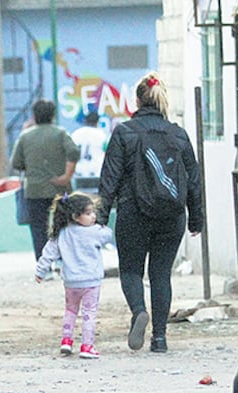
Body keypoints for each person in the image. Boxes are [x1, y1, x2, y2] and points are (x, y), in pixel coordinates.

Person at [98, 72, 202, 353]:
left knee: (131, 271)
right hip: (172, 215)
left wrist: (101, 216)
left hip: (133, 212)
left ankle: (138, 311)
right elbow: (193, 179)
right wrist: (196, 218)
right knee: (160, 275)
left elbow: (110, 177)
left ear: (138, 100)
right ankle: (160, 338)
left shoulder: (124, 132)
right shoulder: (178, 134)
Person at [34, 193, 113, 359]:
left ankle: (67, 340)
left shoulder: (61, 233)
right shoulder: (95, 232)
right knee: (89, 313)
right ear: (76, 216)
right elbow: (108, 234)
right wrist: (100, 226)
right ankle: (87, 346)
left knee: (70, 310)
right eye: (89, 213)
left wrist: (40, 271)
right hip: (91, 281)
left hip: (70, 282)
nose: (93, 216)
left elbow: (48, 254)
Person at [10, 99, 79, 262]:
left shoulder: (25, 136)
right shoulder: (61, 133)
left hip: (34, 190)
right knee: (63, 225)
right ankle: (63, 261)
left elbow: (16, 163)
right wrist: (66, 176)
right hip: (60, 189)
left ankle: (44, 264)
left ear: (34, 115)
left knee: (38, 228)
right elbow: (74, 152)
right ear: (53, 115)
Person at [70, 110, 109, 189]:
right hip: (96, 172)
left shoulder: (75, 134)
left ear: (85, 121)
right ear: (97, 122)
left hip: (78, 172)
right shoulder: (102, 135)